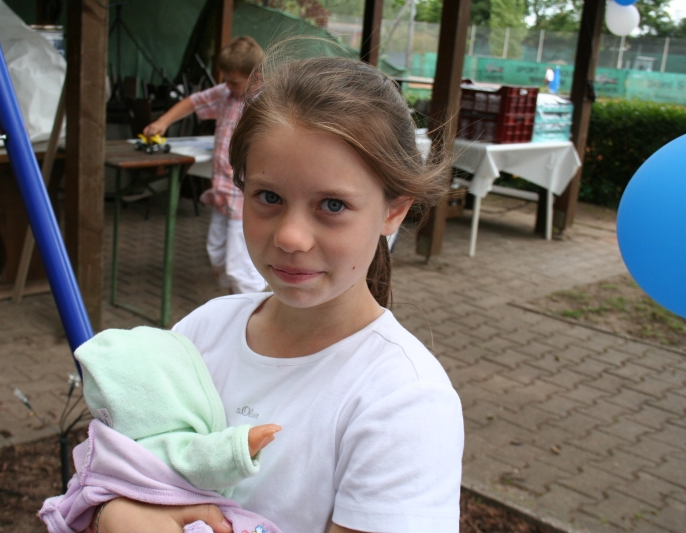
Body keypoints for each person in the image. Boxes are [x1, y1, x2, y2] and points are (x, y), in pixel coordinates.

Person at [95, 54, 464, 533]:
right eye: (268, 197)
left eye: (332, 204)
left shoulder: (404, 400)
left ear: (394, 211)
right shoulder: (202, 331)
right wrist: (110, 511)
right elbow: (127, 463)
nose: (290, 237)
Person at [38, 327, 282, 533]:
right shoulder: (170, 445)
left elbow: (86, 484)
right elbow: (203, 459)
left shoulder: (104, 444)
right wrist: (241, 445)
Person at [144, 36, 266, 295]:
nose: (227, 85)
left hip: (244, 197)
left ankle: (254, 309)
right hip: (222, 191)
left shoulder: (265, 103)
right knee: (216, 254)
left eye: (234, 81)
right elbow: (194, 102)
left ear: (255, 76)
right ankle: (235, 302)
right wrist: (163, 122)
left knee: (240, 267)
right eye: (225, 79)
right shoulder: (225, 94)